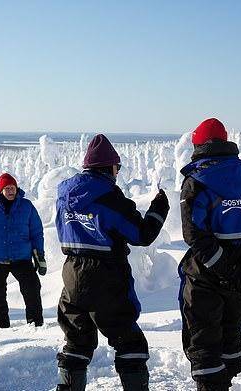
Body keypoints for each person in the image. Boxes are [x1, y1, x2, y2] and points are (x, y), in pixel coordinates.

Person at [55, 134, 170, 391]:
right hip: (105, 275)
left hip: (72, 274)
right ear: (108, 167)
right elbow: (141, 234)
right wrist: (159, 208)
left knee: (76, 342)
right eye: (117, 167)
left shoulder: (64, 195)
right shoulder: (109, 197)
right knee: (129, 343)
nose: (118, 173)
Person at [178, 118, 241, 391]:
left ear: (198, 146)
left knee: (204, 347)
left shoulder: (196, 182)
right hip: (240, 281)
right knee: (230, 339)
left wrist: (234, 271)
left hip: (206, 277)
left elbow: (194, 235)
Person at [0, 173, 46, 328]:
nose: (11, 191)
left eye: (13, 188)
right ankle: (2, 326)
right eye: (8, 188)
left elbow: (36, 231)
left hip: (21, 257)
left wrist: (40, 255)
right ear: (1, 190)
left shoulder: (26, 206)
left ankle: (35, 324)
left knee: (32, 288)